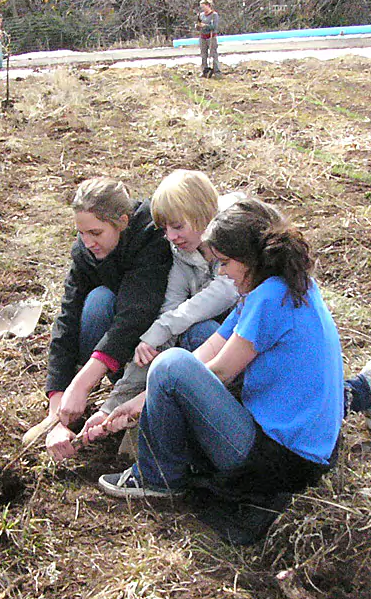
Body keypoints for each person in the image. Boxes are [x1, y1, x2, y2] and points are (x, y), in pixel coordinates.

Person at [94, 199, 346, 540]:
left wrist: (157, 395)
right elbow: (210, 346)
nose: (223, 273)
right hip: (301, 449)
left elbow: (220, 372)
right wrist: (138, 402)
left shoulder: (269, 298)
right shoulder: (278, 284)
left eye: (225, 263)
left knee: (169, 365)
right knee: (196, 338)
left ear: (251, 258)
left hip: (280, 462)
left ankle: (157, 478)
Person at [80, 171, 240, 440]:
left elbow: (220, 294)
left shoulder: (238, 245)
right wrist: (115, 404)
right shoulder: (182, 254)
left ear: (204, 214)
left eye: (177, 226)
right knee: (170, 337)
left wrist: (162, 329)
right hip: (215, 350)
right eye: (165, 229)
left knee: (200, 331)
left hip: (240, 354)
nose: (171, 237)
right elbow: (170, 312)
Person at [37, 177, 172, 461]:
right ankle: (117, 387)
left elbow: (135, 315)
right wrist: (58, 402)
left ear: (122, 221)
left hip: (154, 341)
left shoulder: (151, 237)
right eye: (81, 233)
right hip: (116, 349)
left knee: (104, 302)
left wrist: (83, 383)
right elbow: (67, 319)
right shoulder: (85, 252)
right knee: (97, 301)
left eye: (95, 233)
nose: (88, 242)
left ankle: (136, 402)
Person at [196, 0, 220, 78]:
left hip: (211, 37)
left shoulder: (214, 15)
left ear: (208, 6)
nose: (202, 9)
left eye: (203, 7)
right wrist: (198, 26)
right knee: (203, 54)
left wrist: (205, 26)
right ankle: (204, 70)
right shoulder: (201, 15)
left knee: (213, 54)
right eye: (201, 7)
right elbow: (198, 25)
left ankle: (217, 71)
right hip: (202, 37)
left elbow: (214, 27)